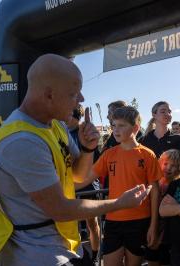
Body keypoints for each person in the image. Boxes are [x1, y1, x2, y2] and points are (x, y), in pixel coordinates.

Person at [0, 54, 151, 266]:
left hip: (62, 246)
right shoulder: (22, 141)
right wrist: (119, 204)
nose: (81, 99)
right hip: (33, 255)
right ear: (49, 94)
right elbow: (61, 209)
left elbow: (77, 177)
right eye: (73, 93)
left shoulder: (55, 125)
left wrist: (87, 149)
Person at [89, 106, 162, 266]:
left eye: (121, 125)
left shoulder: (147, 154)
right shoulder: (109, 154)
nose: (116, 129)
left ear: (135, 128)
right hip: (113, 219)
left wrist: (153, 226)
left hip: (140, 221)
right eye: (113, 125)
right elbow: (86, 178)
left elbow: (155, 191)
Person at [67, 104, 101, 264]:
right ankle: (77, 256)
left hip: (88, 188)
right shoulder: (61, 132)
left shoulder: (85, 132)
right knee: (71, 226)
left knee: (92, 224)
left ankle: (95, 256)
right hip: (69, 188)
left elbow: (96, 164)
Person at [146, 149, 180, 266]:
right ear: (160, 162)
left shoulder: (177, 186)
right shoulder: (154, 183)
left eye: (173, 166)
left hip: (167, 232)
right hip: (152, 226)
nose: (168, 168)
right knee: (151, 257)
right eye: (166, 164)